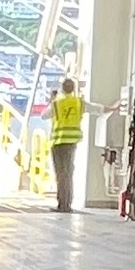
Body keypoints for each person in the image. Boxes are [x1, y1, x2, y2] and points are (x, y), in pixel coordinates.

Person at [46, 73, 86, 211]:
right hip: (72, 143)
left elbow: (43, 115)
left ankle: (61, 203)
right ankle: (68, 203)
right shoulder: (79, 102)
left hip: (58, 143)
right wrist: (113, 107)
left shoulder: (57, 103)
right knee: (69, 173)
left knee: (60, 174)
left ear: (62, 89)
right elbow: (96, 109)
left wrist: (52, 100)